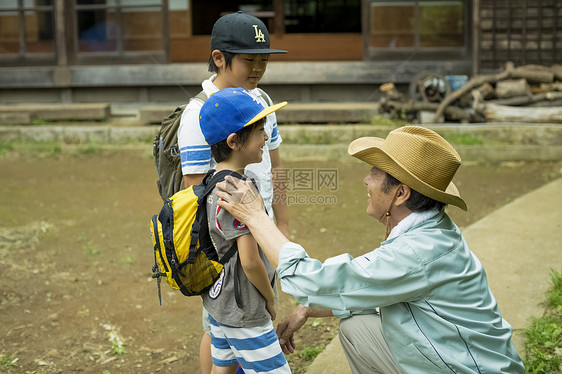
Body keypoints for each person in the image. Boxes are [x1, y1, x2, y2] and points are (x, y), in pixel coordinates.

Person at [214, 126, 526, 374]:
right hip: (468, 360)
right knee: (357, 325)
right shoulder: (432, 232)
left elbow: (313, 280)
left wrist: (256, 216)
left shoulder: (416, 253)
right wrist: (308, 309)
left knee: (357, 325)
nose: (366, 180)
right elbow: (375, 291)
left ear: (400, 193)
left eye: (375, 172)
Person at [176, 11, 289, 373]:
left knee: (232, 335)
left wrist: (281, 231)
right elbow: (196, 193)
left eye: (263, 60)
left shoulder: (262, 100)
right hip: (228, 249)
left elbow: (276, 167)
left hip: (262, 229)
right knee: (220, 327)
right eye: (248, 60)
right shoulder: (197, 114)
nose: (257, 69)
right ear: (219, 58)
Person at [198, 87, 291, 374]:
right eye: (260, 130)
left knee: (222, 369)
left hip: (219, 302)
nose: (266, 137)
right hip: (246, 309)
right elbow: (250, 261)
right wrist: (270, 300)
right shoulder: (240, 191)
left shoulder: (212, 181)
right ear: (234, 141)